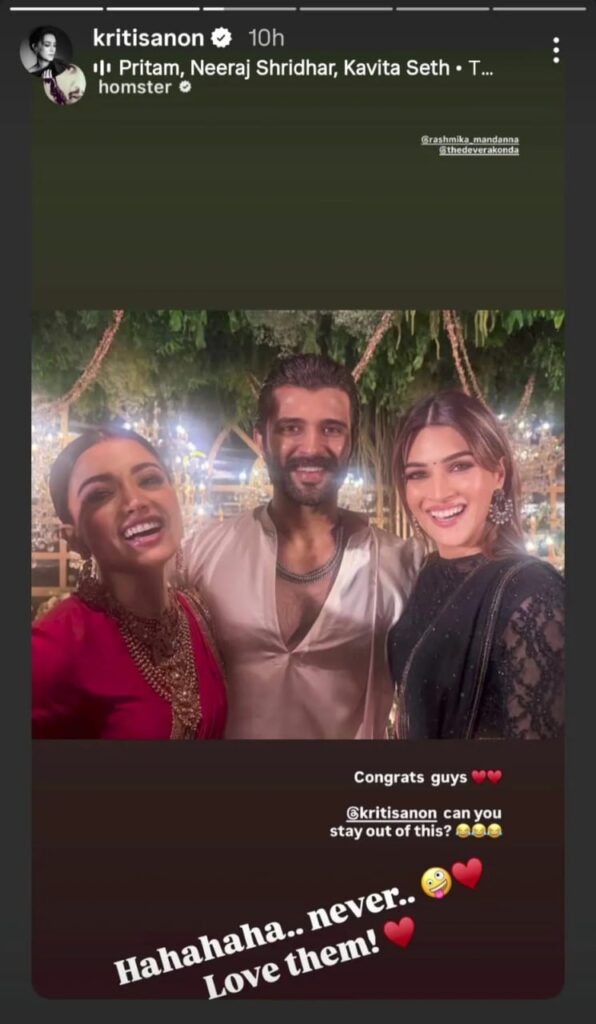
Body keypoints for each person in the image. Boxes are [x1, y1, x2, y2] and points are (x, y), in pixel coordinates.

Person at [183, 354, 421, 739]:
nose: (312, 447)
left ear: (351, 442)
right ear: (262, 440)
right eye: (291, 428)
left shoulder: (401, 565)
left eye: (331, 429)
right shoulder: (201, 553)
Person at [388, 390, 564, 740]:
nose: (438, 493)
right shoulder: (425, 571)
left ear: (498, 473)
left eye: (459, 466)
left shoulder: (533, 593)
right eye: (418, 474)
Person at [32, 426, 227, 739]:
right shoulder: (53, 647)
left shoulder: (198, 613)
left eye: (149, 480)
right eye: (100, 495)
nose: (135, 501)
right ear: (74, 537)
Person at [27, 28, 83, 106]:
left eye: (54, 45)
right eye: (47, 45)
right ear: (35, 47)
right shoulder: (30, 72)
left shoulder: (63, 66)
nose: (52, 49)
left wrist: (52, 89)